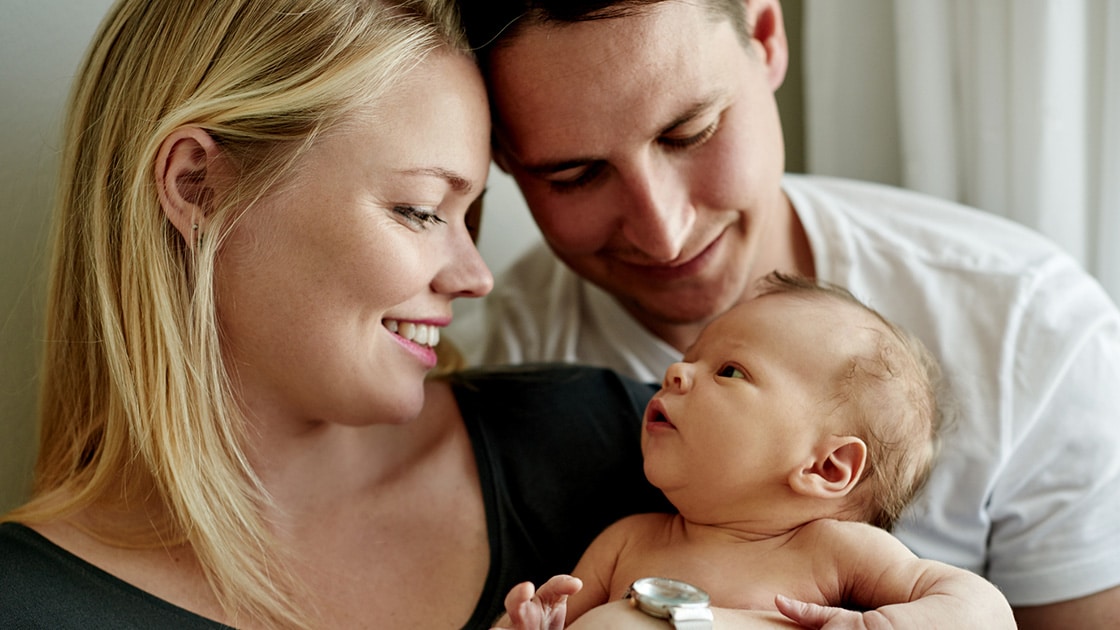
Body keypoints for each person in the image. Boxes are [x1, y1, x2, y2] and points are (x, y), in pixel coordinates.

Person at [0, 1, 694, 628]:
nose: (476, 276)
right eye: (420, 211)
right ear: (198, 186)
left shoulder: (619, 447)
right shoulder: (25, 602)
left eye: (470, 215)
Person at [452, 0, 1120, 625]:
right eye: (575, 175)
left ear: (767, 36)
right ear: (503, 159)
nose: (664, 231)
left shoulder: (1030, 330)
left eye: (691, 132)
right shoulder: (486, 372)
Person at [493, 272, 1015, 629]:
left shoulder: (831, 552)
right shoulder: (626, 542)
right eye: (688, 357)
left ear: (826, 466)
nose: (675, 372)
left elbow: (986, 612)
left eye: (729, 371)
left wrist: (886, 624)